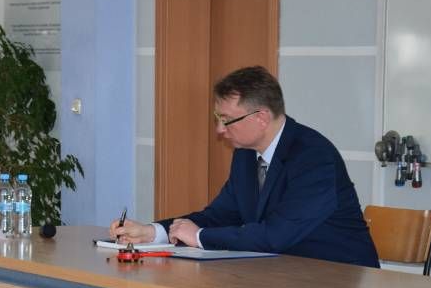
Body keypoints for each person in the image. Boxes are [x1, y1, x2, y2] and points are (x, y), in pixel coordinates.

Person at [112, 66, 379, 268]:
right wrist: (153, 232)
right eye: (217, 118)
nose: (220, 130)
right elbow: (221, 215)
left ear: (261, 117)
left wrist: (200, 237)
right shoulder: (245, 155)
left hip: (340, 281)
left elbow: (277, 235)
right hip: (282, 276)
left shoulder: (313, 157)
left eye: (226, 120)